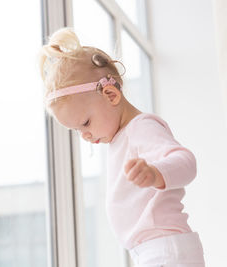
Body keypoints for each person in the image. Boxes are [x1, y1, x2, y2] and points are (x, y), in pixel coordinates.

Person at [38, 27, 205, 267]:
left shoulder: (141, 127)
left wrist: (156, 173)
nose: (84, 135)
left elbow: (186, 163)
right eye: (77, 130)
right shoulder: (121, 138)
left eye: (85, 123)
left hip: (165, 250)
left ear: (111, 95)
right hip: (151, 252)